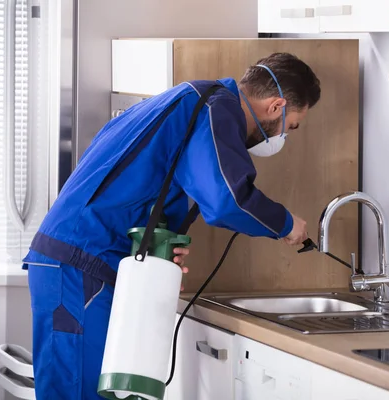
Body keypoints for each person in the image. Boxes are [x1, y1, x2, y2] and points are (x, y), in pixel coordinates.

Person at [22, 52, 321, 399]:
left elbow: (140, 184)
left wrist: (156, 253)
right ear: (276, 106)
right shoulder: (215, 109)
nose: (286, 134)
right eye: (292, 125)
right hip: (79, 267)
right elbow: (227, 198)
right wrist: (285, 224)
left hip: (78, 262)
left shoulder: (192, 98)